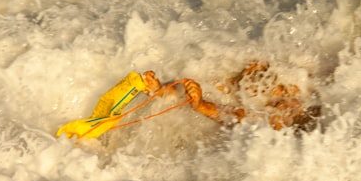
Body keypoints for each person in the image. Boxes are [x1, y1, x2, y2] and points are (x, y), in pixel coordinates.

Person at [56, 62, 318, 140]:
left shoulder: (291, 95)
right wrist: (158, 90)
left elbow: (260, 121)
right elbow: (183, 97)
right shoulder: (243, 77)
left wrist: (202, 106)